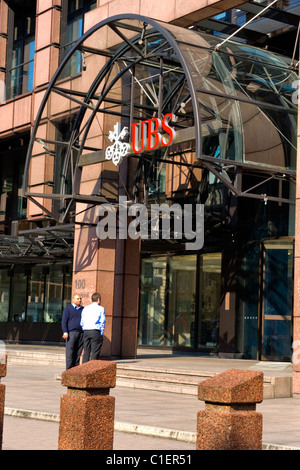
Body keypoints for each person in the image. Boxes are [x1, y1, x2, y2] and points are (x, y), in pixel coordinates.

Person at [80, 292, 106, 363]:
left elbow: (82, 321)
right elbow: (102, 321)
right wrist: (101, 332)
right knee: (95, 352)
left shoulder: (85, 308)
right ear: (98, 299)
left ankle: (84, 368)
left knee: (86, 351)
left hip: (86, 331)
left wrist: (84, 328)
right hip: (95, 331)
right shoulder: (101, 309)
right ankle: (92, 367)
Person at [61, 293, 84, 369]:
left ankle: (75, 369)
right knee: (70, 352)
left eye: (80, 298)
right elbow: (64, 321)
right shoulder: (68, 309)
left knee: (78, 352)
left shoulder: (83, 309)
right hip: (71, 333)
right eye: (77, 299)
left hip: (81, 333)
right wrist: (65, 331)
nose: (79, 300)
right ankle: (68, 370)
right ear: (73, 300)